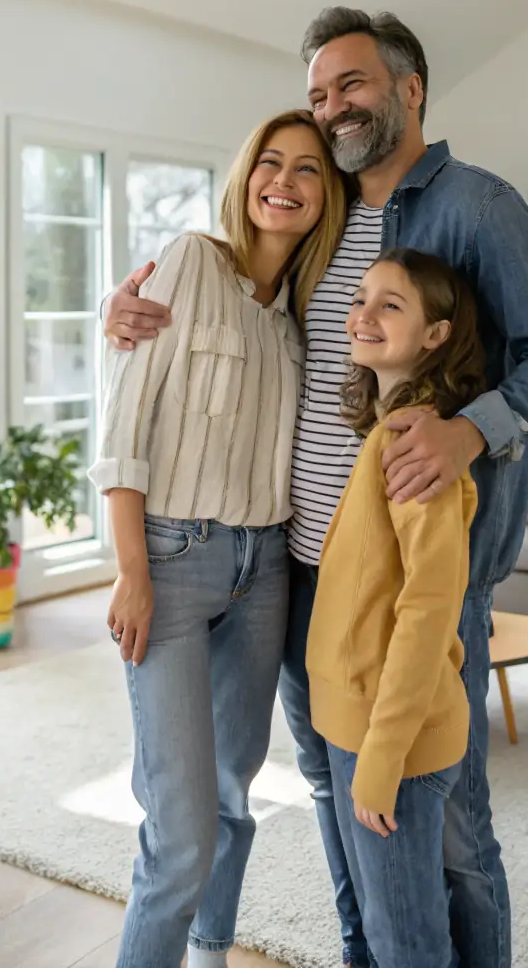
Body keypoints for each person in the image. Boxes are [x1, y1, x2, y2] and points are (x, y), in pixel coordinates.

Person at [103, 8, 528, 968]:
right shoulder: (321, 219)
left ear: (409, 89)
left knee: (443, 818)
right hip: (298, 570)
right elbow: (233, 318)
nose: (332, 108)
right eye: (320, 91)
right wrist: (118, 307)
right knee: (335, 793)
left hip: (424, 573)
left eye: (352, 85)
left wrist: (466, 430)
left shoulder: (477, 207)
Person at [88, 109, 347, 968]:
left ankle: (210, 953)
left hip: (266, 568)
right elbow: (123, 424)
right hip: (170, 555)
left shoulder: (301, 311)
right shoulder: (193, 259)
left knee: (235, 797)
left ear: (326, 195)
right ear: (244, 176)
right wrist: (131, 568)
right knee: (182, 830)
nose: (286, 180)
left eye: (308, 169)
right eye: (270, 162)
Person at [307, 247, 484, 968]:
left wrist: (380, 757)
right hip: (356, 723)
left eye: (391, 303)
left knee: (405, 944)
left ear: (436, 334)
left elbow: (429, 608)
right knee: (378, 931)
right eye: (360, 297)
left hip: (394, 742)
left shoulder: (416, 441)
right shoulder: (387, 428)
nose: (364, 314)